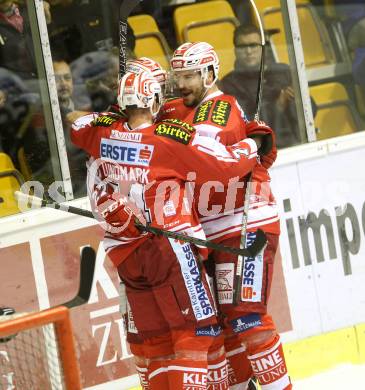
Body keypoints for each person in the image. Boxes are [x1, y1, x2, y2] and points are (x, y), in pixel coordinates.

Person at [71, 70, 263, 389]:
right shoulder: (167, 138)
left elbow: (77, 123)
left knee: (157, 345)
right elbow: (225, 165)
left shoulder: (102, 134)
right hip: (170, 247)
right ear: (154, 100)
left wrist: (114, 116)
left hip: (126, 254)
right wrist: (252, 146)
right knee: (199, 334)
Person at [161, 41, 292, 389]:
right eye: (178, 76)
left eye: (190, 75)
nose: (182, 83)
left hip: (245, 222)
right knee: (222, 320)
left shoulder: (217, 110)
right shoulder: (177, 109)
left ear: (210, 73)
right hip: (210, 230)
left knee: (246, 317)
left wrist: (250, 146)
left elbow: (211, 163)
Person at [220, 24, 301, 149]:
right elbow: (245, 125)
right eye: (242, 46)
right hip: (260, 152)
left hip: (298, 144)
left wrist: (297, 100)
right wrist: (278, 105)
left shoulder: (284, 71)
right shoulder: (229, 84)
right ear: (235, 50)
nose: (248, 51)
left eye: (253, 45)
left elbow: (311, 109)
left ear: (263, 48)